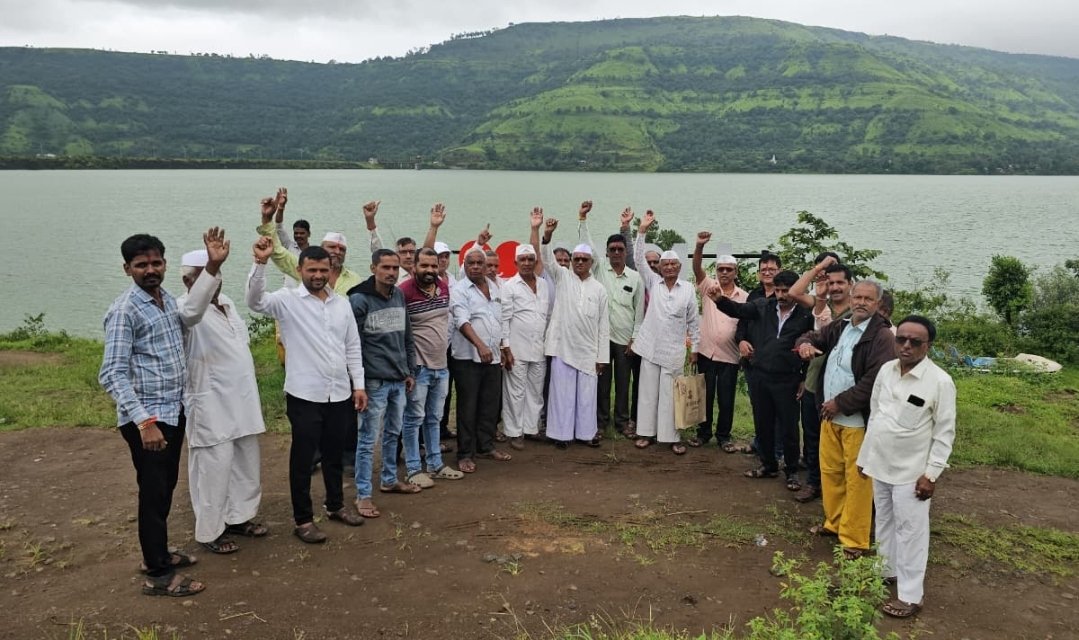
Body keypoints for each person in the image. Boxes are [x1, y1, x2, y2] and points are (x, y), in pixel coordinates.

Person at [99, 229, 225, 597]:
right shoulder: (125, 310)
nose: (150, 269)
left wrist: (213, 266)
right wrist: (144, 422)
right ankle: (158, 574)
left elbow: (190, 318)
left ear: (165, 264)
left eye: (156, 262)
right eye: (141, 265)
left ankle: (156, 553)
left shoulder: (165, 300)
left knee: (164, 489)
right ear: (127, 269)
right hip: (149, 420)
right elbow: (112, 372)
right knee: (154, 494)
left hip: (172, 411)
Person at [246, 240, 368, 544]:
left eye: (323, 270)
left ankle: (335, 505)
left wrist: (359, 385)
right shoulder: (286, 301)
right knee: (302, 459)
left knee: (335, 455)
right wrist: (259, 264)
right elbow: (254, 301)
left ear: (331, 271)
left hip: (339, 393)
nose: (317, 275)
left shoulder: (341, 304)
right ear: (300, 270)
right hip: (305, 395)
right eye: (311, 269)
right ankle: (302, 519)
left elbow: (352, 346)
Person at [857, 316, 956, 619]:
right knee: (884, 521)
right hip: (881, 463)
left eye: (915, 342)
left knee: (911, 532)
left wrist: (931, 474)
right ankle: (886, 570)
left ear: (928, 345)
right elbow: (875, 415)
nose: (907, 346)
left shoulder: (939, 382)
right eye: (902, 339)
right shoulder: (887, 370)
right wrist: (865, 457)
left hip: (912, 473)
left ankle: (911, 596)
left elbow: (944, 432)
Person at [178, 244, 268, 556]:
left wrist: (258, 264)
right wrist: (212, 267)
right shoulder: (185, 309)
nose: (215, 281)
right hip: (210, 404)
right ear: (190, 282)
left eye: (217, 274)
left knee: (245, 463)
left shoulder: (227, 303)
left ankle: (239, 517)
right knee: (213, 469)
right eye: (207, 275)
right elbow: (192, 312)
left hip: (242, 401)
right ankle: (210, 530)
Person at [795, 280, 895, 559]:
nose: (861, 302)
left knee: (858, 481)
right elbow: (814, 337)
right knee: (831, 473)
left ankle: (855, 539)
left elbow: (873, 381)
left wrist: (840, 403)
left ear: (878, 304)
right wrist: (804, 344)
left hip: (857, 420)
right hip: (829, 415)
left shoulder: (881, 337)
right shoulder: (841, 326)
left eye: (868, 299)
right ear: (851, 298)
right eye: (858, 297)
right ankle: (835, 522)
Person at [708, 269, 814, 486]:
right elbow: (738, 309)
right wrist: (719, 299)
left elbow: (811, 348)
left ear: (794, 292)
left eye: (786, 291)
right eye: (778, 290)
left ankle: (792, 471)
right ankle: (768, 465)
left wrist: (803, 378)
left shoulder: (805, 316)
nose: (782, 295)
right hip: (761, 376)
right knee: (763, 422)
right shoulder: (762, 307)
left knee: (789, 427)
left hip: (788, 379)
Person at [347, 248, 420, 516]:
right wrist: (359, 383)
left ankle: (389, 480)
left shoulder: (399, 294)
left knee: (393, 433)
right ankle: (363, 494)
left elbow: (406, 337)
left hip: (398, 379)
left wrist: (409, 370)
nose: (391, 273)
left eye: (394, 268)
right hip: (374, 381)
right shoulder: (359, 299)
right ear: (373, 268)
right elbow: (353, 344)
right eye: (385, 267)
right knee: (367, 439)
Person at [539, 210, 610, 449]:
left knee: (587, 397)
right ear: (571, 261)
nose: (579, 262)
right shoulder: (562, 277)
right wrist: (547, 235)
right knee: (562, 395)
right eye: (576, 259)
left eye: (584, 259)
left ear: (591, 263)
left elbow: (603, 325)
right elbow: (547, 259)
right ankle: (561, 434)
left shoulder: (599, 289)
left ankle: (586, 433)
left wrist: (602, 357)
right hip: (563, 348)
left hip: (588, 351)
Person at [632, 211, 700, 455]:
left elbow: (693, 321)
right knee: (648, 394)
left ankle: (672, 437)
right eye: (665, 264)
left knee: (672, 396)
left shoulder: (688, 289)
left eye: (673, 264)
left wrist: (696, 349)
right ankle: (646, 434)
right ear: (659, 268)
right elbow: (639, 260)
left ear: (679, 267)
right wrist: (642, 231)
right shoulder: (653, 282)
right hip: (650, 347)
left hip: (673, 350)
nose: (669, 267)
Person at [579, 201, 644, 440]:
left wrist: (634, 339)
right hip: (602, 339)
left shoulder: (636, 277)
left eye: (620, 249)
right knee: (602, 383)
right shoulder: (598, 270)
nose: (616, 253)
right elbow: (587, 246)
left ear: (626, 252)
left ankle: (622, 422)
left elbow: (640, 312)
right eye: (612, 249)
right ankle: (600, 422)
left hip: (625, 340)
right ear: (607, 252)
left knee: (623, 384)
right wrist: (583, 219)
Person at [400, 247, 465, 483]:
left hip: (441, 365)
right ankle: (414, 470)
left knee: (434, 417)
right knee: (413, 418)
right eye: (424, 265)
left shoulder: (444, 287)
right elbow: (398, 333)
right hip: (418, 368)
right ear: (413, 266)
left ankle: (436, 465)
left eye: (433, 266)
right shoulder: (404, 292)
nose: (429, 270)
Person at [788, 254, 849, 503]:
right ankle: (815, 482)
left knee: (842, 439)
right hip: (815, 380)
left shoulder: (857, 311)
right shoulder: (820, 304)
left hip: (842, 386)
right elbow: (794, 292)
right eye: (829, 280)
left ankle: (843, 488)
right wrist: (819, 271)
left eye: (839, 282)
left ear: (850, 285)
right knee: (812, 436)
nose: (833, 286)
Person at [450, 246, 512, 473]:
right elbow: (461, 321)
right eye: (470, 263)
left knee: (489, 404)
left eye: (479, 263)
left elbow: (501, 319)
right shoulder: (459, 290)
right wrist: (480, 345)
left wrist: (504, 348)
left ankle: (486, 445)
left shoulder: (494, 286)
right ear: (464, 266)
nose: (475, 267)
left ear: (486, 266)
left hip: (493, 357)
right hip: (468, 358)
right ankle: (465, 453)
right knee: (468, 406)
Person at [690, 232, 747, 451]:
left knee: (726, 399)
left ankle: (724, 436)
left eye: (728, 269)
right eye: (721, 269)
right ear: (716, 271)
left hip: (729, 356)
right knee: (705, 396)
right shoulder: (709, 288)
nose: (724, 273)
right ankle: (703, 433)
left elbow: (745, 325)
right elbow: (696, 269)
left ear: (735, 272)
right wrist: (699, 247)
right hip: (706, 353)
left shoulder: (744, 296)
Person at [500, 236, 551, 450]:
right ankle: (514, 432)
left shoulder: (544, 284)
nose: (528, 263)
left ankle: (531, 428)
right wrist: (505, 347)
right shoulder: (509, 286)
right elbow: (504, 318)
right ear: (516, 263)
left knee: (535, 391)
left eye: (531, 259)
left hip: (539, 348)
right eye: (523, 259)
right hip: (517, 349)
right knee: (515, 392)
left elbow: (546, 316)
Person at [363, 199, 416, 282]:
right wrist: (370, 220)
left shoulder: (421, 274)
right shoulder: (391, 275)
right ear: (396, 254)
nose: (408, 256)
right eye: (403, 252)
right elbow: (377, 249)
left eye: (412, 252)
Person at [269, 187, 310, 255]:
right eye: (296, 233)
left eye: (302, 233)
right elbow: (279, 226)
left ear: (309, 234)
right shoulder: (288, 246)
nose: (298, 235)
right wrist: (281, 206)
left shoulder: (314, 251)